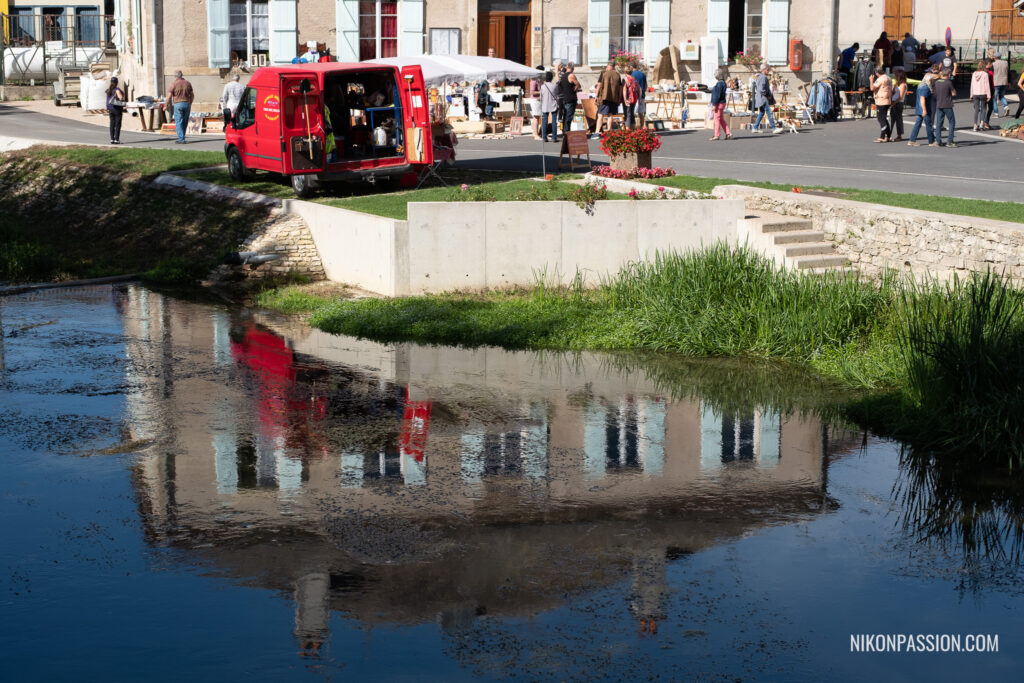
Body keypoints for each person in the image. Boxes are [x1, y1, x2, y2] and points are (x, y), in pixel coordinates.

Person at [163, 70, 194, 144]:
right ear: (182, 75)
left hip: (178, 104)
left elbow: (169, 97)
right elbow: (192, 95)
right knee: (185, 121)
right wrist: (190, 102)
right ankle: (182, 136)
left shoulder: (174, 84)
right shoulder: (187, 83)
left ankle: (181, 139)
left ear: (175, 76)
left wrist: (166, 105)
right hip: (187, 103)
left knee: (179, 121)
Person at [593, 61, 622, 137]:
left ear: (609, 66)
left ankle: (597, 132)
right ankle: (609, 130)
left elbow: (599, 85)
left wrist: (596, 96)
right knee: (610, 114)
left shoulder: (603, 73)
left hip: (604, 97)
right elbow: (620, 88)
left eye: (607, 66)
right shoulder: (617, 75)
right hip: (613, 97)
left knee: (600, 115)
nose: (606, 67)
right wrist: (619, 98)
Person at [907, 69, 935, 146]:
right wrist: (924, 110)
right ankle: (931, 141)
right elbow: (922, 99)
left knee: (918, 124)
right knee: (928, 125)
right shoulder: (926, 87)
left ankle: (912, 140)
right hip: (924, 109)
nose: (933, 81)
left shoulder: (920, 86)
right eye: (932, 80)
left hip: (919, 109)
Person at [932, 67, 957, 147]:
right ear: (949, 74)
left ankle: (938, 141)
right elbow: (954, 93)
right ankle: (950, 141)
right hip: (947, 104)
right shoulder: (948, 82)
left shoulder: (937, 82)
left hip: (939, 104)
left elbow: (934, 92)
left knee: (939, 123)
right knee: (952, 122)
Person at [752, 64, 779, 133]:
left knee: (761, 112)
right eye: (768, 69)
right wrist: (767, 95)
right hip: (763, 98)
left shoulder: (760, 77)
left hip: (761, 97)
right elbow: (762, 89)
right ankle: (774, 128)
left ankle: (755, 127)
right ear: (764, 70)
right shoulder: (763, 77)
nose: (768, 71)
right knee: (769, 112)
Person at [870, 65, 893, 142]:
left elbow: (872, 88)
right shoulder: (888, 78)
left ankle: (882, 137)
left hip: (881, 100)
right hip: (888, 99)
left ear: (877, 73)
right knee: (884, 118)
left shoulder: (880, 79)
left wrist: (871, 80)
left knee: (881, 119)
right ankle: (888, 136)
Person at [556, 63, 580, 134]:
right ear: (573, 68)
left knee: (565, 116)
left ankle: (564, 131)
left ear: (566, 67)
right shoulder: (571, 75)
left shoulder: (562, 76)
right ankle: (567, 132)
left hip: (564, 98)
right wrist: (575, 89)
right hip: (570, 98)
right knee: (568, 117)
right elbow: (578, 84)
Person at [709, 68, 732, 140]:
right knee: (721, 119)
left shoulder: (719, 84)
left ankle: (717, 135)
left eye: (715, 74)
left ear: (718, 75)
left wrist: (714, 104)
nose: (714, 75)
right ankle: (728, 133)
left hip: (718, 103)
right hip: (722, 103)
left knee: (717, 119)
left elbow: (717, 95)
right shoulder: (723, 83)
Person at [970, 59, 991, 131]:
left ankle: (975, 125)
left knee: (976, 109)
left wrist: (971, 94)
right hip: (983, 93)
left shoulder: (974, 74)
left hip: (975, 93)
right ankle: (982, 123)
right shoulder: (985, 74)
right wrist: (989, 95)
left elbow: (972, 85)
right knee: (984, 108)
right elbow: (987, 85)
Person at [539, 70, 559, 143]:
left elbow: (541, 96)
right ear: (551, 78)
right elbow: (557, 94)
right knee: (554, 121)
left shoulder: (542, 87)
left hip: (545, 105)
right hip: (553, 104)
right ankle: (554, 137)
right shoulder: (555, 86)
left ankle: (544, 137)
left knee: (545, 122)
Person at [105, 76, 126, 145]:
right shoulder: (117, 90)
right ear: (117, 82)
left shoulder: (108, 90)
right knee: (118, 124)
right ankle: (116, 139)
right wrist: (122, 99)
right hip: (117, 109)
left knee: (112, 124)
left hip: (110, 109)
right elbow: (120, 98)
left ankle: (112, 139)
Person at [889, 67, 907, 142]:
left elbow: (900, 96)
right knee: (892, 120)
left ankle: (899, 135)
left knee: (898, 119)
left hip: (898, 103)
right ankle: (888, 134)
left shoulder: (903, 84)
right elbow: (894, 93)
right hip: (894, 102)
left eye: (896, 75)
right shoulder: (898, 84)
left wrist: (893, 103)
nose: (895, 76)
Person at [630, 63, 648, 128]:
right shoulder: (642, 74)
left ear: (631, 67)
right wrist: (643, 92)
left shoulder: (631, 74)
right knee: (641, 113)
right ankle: (641, 127)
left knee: (632, 113)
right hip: (642, 96)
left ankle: (633, 127)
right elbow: (646, 86)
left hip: (633, 96)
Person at [991, 53, 1009, 118]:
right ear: (1000, 56)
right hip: (1004, 81)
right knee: (1002, 96)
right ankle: (1006, 106)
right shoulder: (1006, 63)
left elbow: (992, 73)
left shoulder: (993, 64)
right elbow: (1008, 72)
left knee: (994, 98)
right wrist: (1008, 81)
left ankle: (996, 113)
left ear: (994, 57)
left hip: (996, 82)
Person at [528, 68, 543, 139]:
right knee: (536, 117)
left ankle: (536, 133)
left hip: (539, 100)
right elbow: (532, 92)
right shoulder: (534, 80)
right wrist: (542, 92)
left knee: (537, 117)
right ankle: (535, 134)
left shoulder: (539, 79)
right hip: (535, 100)